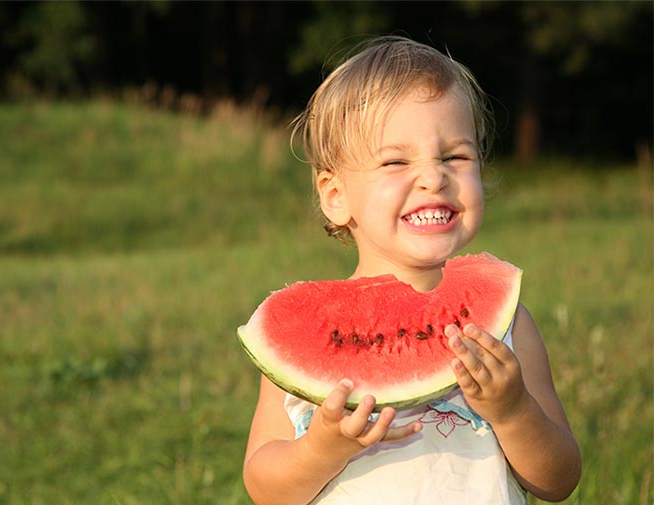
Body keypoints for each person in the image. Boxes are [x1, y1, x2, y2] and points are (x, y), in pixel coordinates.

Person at [242, 36, 581, 505]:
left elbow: (559, 480)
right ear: (334, 194)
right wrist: (322, 448)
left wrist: (514, 410)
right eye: (396, 161)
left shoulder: (508, 328)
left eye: (455, 157)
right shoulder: (310, 337)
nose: (433, 176)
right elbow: (264, 487)